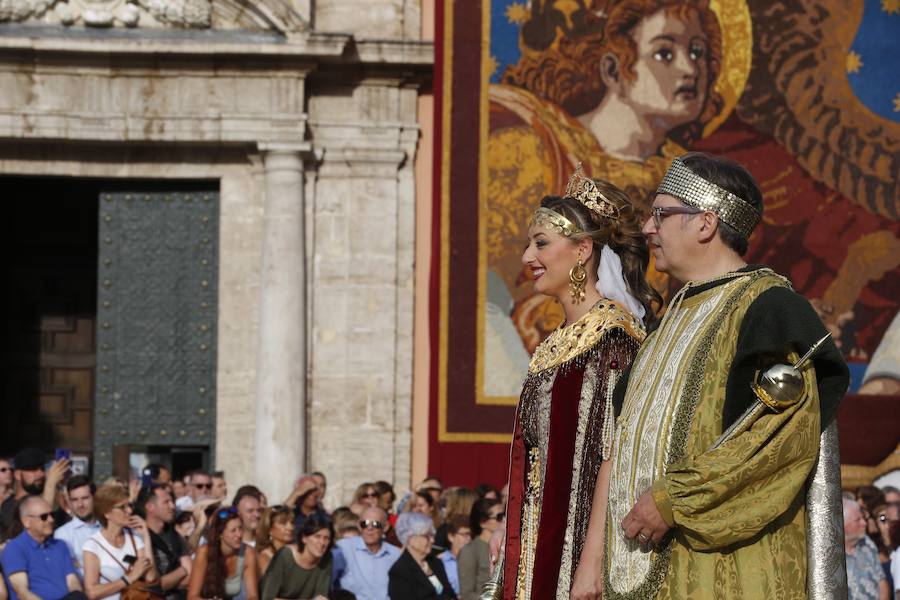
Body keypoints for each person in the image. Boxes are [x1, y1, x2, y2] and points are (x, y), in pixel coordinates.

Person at [604, 153, 849, 599]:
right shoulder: (670, 317)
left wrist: (673, 500)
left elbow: (779, 438)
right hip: (643, 571)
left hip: (727, 570)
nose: (647, 229)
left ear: (705, 223)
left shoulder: (769, 306)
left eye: (661, 214)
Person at [486, 170, 656, 600]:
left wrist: (592, 564)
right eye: (530, 243)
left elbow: (614, 457)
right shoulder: (556, 343)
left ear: (582, 250)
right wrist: (510, 527)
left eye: (541, 242)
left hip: (577, 551)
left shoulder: (613, 338)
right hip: (538, 542)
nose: (528, 257)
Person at [82, 483, 158, 600]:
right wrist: (129, 578)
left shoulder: (135, 537)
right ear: (107, 513)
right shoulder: (92, 545)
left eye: (129, 505)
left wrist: (146, 537)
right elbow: (92, 592)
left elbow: (151, 577)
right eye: (122, 507)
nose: (129, 510)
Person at [1, 496, 85, 600]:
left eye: (52, 514)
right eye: (44, 517)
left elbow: (72, 582)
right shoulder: (15, 548)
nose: (51, 520)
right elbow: (22, 593)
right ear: (26, 522)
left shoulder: (60, 545)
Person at [187, 507, 258, 600]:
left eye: (240, 528)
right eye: (233, 530)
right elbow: (192, 596)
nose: (239, 534)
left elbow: (253, 596)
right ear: (220, 534)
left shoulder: (248, 552)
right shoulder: (204, 552)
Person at [0, 449, 69, 542]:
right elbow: (33, 534)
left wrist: (63, 487)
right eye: (33, 469)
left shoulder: (52, 501)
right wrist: (50, 485)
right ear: (17, 475)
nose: (40, 474)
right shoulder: (9, 506)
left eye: (42, 469)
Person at [333, 506, 400, 600]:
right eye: (365, 524)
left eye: (376, 524)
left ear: (385, 527)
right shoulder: (344, 548)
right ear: (359, 526)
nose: (369, 528)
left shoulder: (395, 554)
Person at [137, 485, 190, 600]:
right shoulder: (138, 537)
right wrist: (182, 571)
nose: (172, 506)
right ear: (150, 507)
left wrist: (166, 583)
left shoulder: (174, 535)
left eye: (172, 501)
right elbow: (152, 584)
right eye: (166, 502)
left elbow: (190, 577)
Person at [260, 515, 333, 600]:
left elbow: (321, 596)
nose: (322, 542)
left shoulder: (327, 558)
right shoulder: (285, 556)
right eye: (317, 536)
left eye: (326, 538)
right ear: (304, 538)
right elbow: (268, 597)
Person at [388, 512, 455, 600]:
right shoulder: (400, 572)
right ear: (411, 539)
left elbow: (450, 593)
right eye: (427, 536)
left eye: (432, 535)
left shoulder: (435, 562)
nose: (432, 540)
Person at [54, 476, 102, 577]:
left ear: (95, 498)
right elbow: (67, 570)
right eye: (75, 500)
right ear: (69, 502)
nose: (80, 504)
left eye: (85, 498)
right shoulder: (63, 534)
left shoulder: (106, 526)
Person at [844, 499, 889, 600]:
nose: (864, 523)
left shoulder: (867, 543)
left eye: (863, 518)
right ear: (843, 523)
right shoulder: (832, 554)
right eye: (857, 520)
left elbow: (882, 582)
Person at [457, 499, 501, 600]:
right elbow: (467, 595)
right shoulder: (470, 551)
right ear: (483, 523)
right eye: (499, 517)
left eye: (504, 515)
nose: (503, 520)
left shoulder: (504, 546)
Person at [256, 505, 295, 577]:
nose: (291, 528)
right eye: (283, 523)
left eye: (292, 522)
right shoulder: (264, 559)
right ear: (269, 529)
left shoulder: (294, 553)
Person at [437, 517, 470, 597]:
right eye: (465, 534)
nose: (469, 539)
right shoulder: (440, 561)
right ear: (451, 537)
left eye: (471, 535)